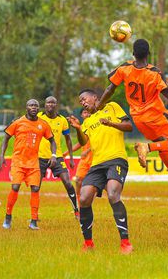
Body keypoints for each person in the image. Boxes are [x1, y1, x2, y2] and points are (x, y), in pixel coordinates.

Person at [97, 38, 168, 188]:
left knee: (162, 143)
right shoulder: (154, 73)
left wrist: (100, 104)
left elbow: (110, 89)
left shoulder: (124, 68)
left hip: (138, 119)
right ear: (148, 54)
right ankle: (147, 148)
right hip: (157, 115)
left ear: (133, 53)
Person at [68, 89, 134, 254]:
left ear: (95, 97)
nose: (82, 102)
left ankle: (125, 243)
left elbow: (129, 126)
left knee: (112, 194)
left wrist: (111, 123)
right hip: (97, 164)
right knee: (83, 198)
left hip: (116, 159)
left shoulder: (112, 107)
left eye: (84, 99)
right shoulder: (88, 121)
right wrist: (78, 127)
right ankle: (88, 244)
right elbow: (84, 140)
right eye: (80, 101)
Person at [0, 99, 57, 230]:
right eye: (31, 105)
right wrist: (2, 155)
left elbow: (52, 141)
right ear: (26, 108)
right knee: (15, 187)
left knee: (35, 189)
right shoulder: (18, 122)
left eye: (36, 105)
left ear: (39, 108)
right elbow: (6, 138)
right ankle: (8, 216)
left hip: (33, 163)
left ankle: (34, 221)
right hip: (18, 162)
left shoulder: (43, 124)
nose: (34, 107)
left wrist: (53, 155)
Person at [38, 96, 78, 218]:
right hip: (40, 157)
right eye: (48, 102)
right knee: (36, 186)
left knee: (68, 183)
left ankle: (76, 210)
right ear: (45, 105)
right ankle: (35, 214)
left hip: (58, 156)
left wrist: (71, 157)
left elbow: (68, 140)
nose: (50, 104)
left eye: (53, 103)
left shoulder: (62, 120)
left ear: (56, 105)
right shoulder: (39, 117)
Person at [63, 108, 92, 206]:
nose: (87, 114)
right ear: (81, 115)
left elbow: (100, 141)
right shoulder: (82, 127)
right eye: (84, 112)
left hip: (95, 158)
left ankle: (115, 199)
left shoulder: (94, 125)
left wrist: (88, 150)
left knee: (102, 184)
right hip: (85, 159)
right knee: (78, 180)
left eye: (88, 112)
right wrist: (67, 152)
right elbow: (81, 143)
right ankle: (80, 206)